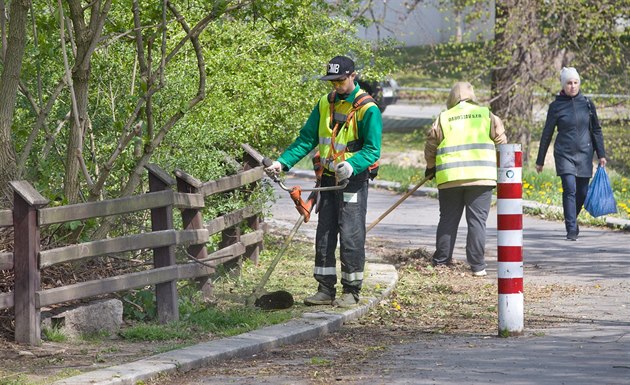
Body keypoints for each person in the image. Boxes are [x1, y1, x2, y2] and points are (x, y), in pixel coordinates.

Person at [264, 55, 382, 307]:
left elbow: (373, 150)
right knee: (325, 233)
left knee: (350, 234)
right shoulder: (323, 104)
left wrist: (351, 165)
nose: (336, 86)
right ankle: (325, 289)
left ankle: (351, 291)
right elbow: (306, 139)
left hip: (352, 180)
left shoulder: (368, 109)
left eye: (340, 81)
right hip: (327, 179)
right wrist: (282, 163)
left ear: (352, 76)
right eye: (332, 82)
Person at [424, 81, 507, 277]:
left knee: (448, 220)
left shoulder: (444, 118)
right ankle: (478, 266)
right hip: (481, 178)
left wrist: (430, 167)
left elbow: (430, 146)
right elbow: (502, 142)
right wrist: (500, 166)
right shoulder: (487, 115)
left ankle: (442, 261)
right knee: (477, 221)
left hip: (450, 178)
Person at [535, 67, 607, 241]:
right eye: (569, 83)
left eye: (575, 82)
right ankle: (571, 229)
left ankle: (572, 218)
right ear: (563, 85)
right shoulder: (556, 106)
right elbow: (547, 133)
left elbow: (596, 130)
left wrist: (601, 154)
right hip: (564, 153)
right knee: (570, 188)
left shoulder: (588, 104)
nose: (573, 86)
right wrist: (540, 160)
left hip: (585, 153)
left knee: (582, 191)